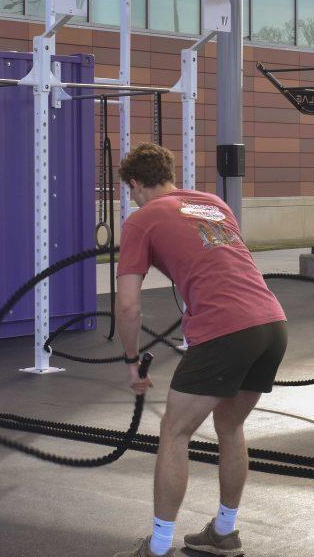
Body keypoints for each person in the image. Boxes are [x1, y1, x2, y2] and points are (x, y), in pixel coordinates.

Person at [112, 143, 287, 557]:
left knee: (175, 431)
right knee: (230, 427)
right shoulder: (213, 203)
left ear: (135, 184)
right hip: (271, 323)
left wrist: (131, 360)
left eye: (131, 190)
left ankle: (157, 548)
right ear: (170, 174)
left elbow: (127, 305)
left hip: (226, 330)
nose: (133, 198)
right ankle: (224, 533)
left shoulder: (141, 219)